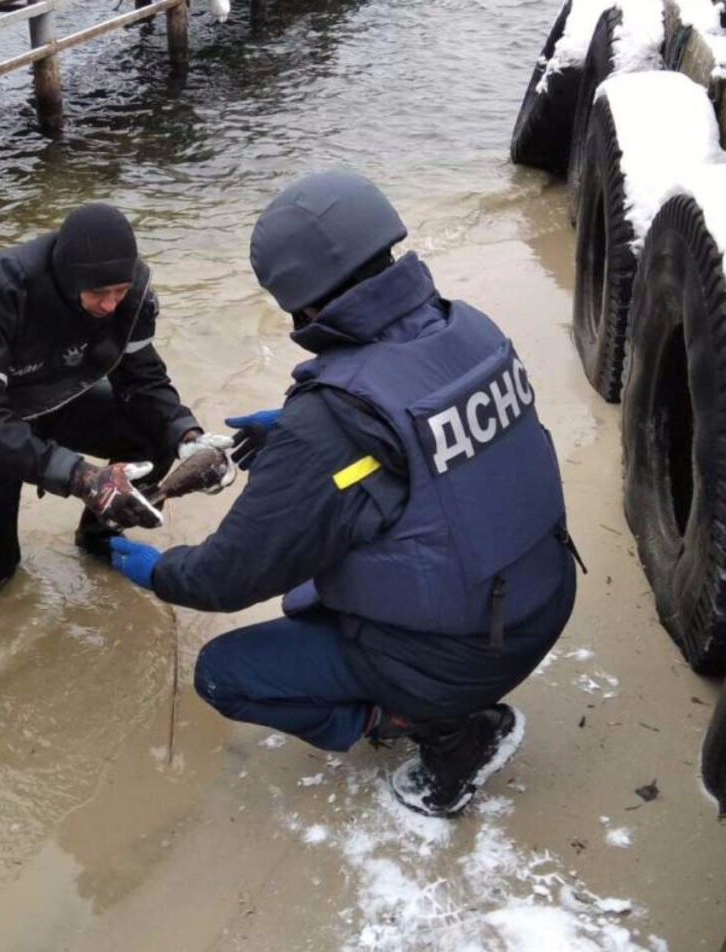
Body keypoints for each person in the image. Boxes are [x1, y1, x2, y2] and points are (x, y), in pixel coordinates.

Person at [108, 171, 582, 818]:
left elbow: (226, 577)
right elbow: (425, 452)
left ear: (299, 302)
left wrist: (161, 572)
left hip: (472, 650)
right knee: (308, 598)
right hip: (545, 594)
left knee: (224, 673)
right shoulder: (466, 325)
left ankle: (445, 733)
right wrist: (311, 440)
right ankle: (437, 696)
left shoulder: (333, 422)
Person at [0, 203, 231, 599]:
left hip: (52, 398)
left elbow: (143, 379)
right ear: (68, 279)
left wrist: (186, 434)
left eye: (120, 291)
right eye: (99, 293)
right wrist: (81, 477)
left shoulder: (130, 295)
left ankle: (101, 533)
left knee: (154, 431)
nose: (111, 305)